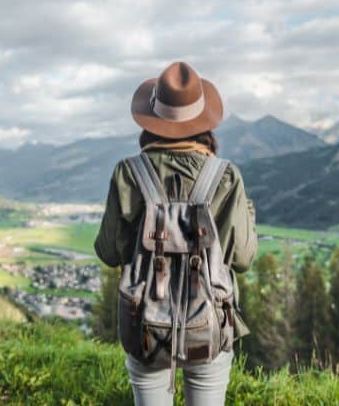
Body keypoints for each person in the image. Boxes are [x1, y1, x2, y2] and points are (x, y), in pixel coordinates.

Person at [94, 61, 257, 406]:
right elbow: (243, 259)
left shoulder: (128, 173)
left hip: (146, 327)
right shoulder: (225, 177)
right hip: (210, 323)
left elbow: (108, 251)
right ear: (204, 123)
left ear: (151, 122)